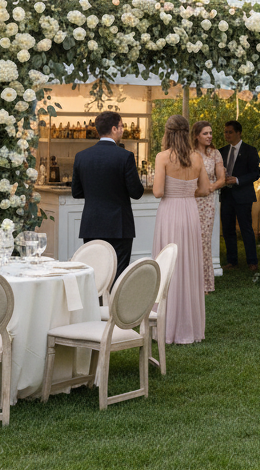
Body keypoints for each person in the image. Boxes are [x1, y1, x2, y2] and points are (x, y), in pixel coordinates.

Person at [152, 115, 211, 344]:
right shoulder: (197, 158)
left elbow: (158, 192)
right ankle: (190, 326)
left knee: (168, 265)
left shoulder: (163, 157)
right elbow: (204, 189)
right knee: (188, 263)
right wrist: (186, 192)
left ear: (167, 132)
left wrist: (174, 191)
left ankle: (167, 325)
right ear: (187, 133)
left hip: (170, 212)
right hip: (189, 212)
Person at [72, 110, 144, 279]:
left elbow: (76, 192)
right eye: (121, 126)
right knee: (117, 275)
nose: (122, 130)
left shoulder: (81, 156)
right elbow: (136, 192)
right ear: (113, 129)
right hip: (119, 226)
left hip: (91, 224)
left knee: (94, 274)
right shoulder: (125, 156)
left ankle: (96, 298)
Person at [218, 120, 260, 271]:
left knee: (246, 229)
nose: (227, 135)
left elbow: (256, 173)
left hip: (243, 196)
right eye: (225, 132)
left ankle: (252, 261)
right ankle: (232, 261)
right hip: (226, 196)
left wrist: (237, 180)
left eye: (230, 132)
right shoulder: (222, 151)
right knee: (227, 229)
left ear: (239, 133)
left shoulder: (250, 150)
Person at [192, 121, 227, 292]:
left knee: (204, 240)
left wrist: (209, 188)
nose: (209, 136)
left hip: (207, 201)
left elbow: (222, 179)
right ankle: (190, 283)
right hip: (191, 200)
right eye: (205, 133)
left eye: (210, 133)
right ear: (196, 135)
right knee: (190, 240)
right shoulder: (189, 153)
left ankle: (205, 283)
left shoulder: (215, 153)